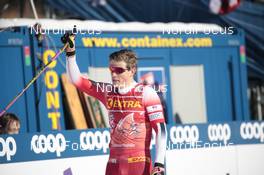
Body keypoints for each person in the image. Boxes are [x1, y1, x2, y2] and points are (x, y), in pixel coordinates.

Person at [63, 34, 167, 175]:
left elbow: (160, 130)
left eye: (119, 70)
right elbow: (76, 80)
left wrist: (159, 164)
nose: (113, 75)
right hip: (113, 164)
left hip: (139, 164)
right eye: (111, 70)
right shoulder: (107, 91)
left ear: (132, 70)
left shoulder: (146, 93)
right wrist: (70, 53)